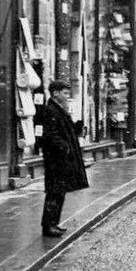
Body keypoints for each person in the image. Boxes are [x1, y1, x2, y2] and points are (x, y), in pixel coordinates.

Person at [34, 80, 89, 237]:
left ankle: (54, 223)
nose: (67, 96)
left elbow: (65, 130)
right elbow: (51, 136)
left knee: (59, 191)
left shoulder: (59, 109)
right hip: (56, 160)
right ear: (55, 93)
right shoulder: (50, 110)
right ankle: (48, 225)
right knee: (55, 191)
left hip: (61, 159)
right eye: (64, 93)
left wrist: (77, 127)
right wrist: (64, 148)